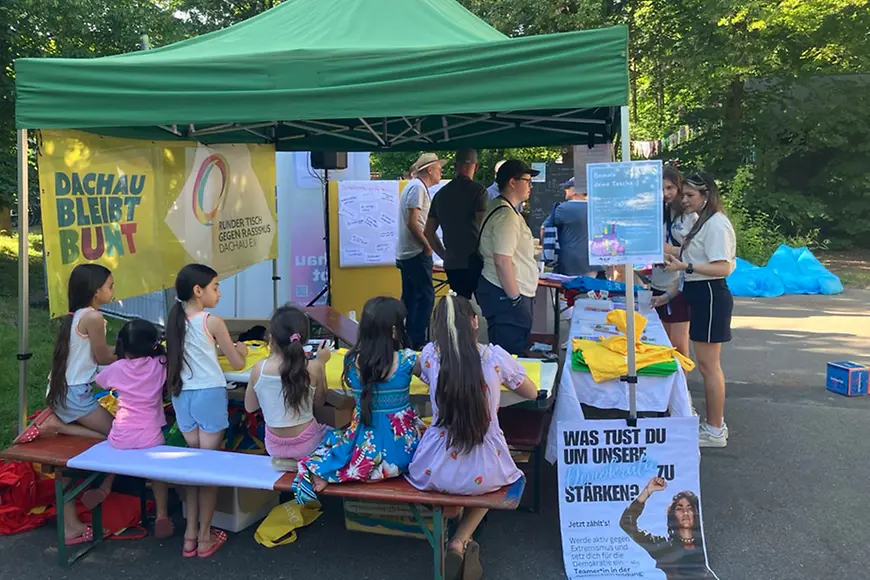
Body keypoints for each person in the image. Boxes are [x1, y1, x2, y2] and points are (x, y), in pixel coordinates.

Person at [407, 294, 538, 579]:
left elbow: (417, 371)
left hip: (433, 469)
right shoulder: (494, 357)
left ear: (437, 328)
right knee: (512, 476)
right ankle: (461, 538)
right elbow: (531, 391)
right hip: (486, 469)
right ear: (475, 322)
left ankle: (456, 533)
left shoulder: (430, 355)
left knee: (460, 477)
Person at [16, 264, 118, 545]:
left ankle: (71, 526)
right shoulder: (94, 318)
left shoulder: (77, 316)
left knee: (72, 463)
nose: (113, 290)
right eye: (110, 285)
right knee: (119, 435)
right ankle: (55, 423)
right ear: (96, 291)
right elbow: (102, 357)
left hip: (61, 392)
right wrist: (131, 352)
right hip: (75, 396)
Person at [293, 296, 423, 504]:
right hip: (402, 451)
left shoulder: (351, 359)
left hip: (362, 442)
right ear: (393, 329)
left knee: (333, 444)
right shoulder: (408, 359)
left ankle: (332, 474)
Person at [166, 263, 248, 558]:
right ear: (198, 291)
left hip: (182, 397)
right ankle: (204, 536)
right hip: (209, 395)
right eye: (215, 287)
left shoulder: (175, 320)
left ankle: (189, 535)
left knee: (194, 467)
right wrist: (242, 350)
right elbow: (237, 363)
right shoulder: (212, 321)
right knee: (208, 469)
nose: (219, 293)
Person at [664, 173, 736, 448]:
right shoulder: (702, 223)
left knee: (708, 366)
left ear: (707, 196)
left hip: (710, 294)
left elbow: (723, 267)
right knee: (706, 365)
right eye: (684, 195)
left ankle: (715, 428)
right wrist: (670, 293)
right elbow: (690, 265)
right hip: (698, 292)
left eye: (690, 195)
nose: (684, 200)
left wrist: (685, 267)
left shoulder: (716, 225)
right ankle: (714, 425)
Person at [94, 318, 173, 540]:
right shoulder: (160, 364)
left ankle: (105, 486)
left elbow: (100, 382)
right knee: (158, 474)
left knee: (115, 453)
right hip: (150, 433)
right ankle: (161, 515)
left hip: (121, 432)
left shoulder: (116, 368)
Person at [245, 306, 330, 469]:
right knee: (336, 430)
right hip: (308, 444)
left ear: (271, 338)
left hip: (274, 447)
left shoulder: (259, 369)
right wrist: (322, 364)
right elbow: (319, 403)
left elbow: (250, 407)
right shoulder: (313, 367)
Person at [476, 159, 540, 355]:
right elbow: (502, 260)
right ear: (513, 182)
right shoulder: (506, 216)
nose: (530, 186)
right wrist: (516, 300)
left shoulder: (499, 206)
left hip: (498, 291)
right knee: (508, 355)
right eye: (527, 181)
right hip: (506, 294)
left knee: (501, 353)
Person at [396, 152, 446, 350]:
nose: (441, 172)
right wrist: (427, 246)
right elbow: (412, 222)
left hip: (409, 253)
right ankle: (417, 342)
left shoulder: (415, 186)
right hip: (415, 253)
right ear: (430, 169)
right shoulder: (417, 187)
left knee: (410, 298)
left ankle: (405, 339)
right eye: (439, 168)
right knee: (424, 298)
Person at [619, 476, 714, 579]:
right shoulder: (664, 547)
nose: (685, 512)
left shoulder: (706, 543)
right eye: (679, 508)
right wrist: (648, 491)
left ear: (696, 513)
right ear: (673, 515)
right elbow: (626, 523)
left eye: (689, 508)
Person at [425, 148, 488, 299]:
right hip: (476, 261)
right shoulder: (478, 192)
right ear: (476, 166)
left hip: (453, 263)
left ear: (455, 166)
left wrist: (444, 254)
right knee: (485, 307)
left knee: (460, 307)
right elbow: (485, 227)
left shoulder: (441, 194)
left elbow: (428, 232)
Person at [649, 166, 697, 357]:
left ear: (679, 187)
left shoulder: (689, 216)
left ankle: (682, 385)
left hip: (678, 284)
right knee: (661, 342)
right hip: (657, 281)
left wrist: (671, 251)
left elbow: (698, 254)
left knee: (678, 344)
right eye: (660, 189)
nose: (665, 193)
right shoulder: (658, 213)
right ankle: (669, 386)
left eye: (670, 188)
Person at [540, 176, 605, 278]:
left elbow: (544, 229)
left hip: (568, 262)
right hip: (595, 261)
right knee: (589, 291)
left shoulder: (562, 209)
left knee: (569, 292)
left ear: (575, 190)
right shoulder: (599, 209)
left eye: (568, 187)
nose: (565, 190)